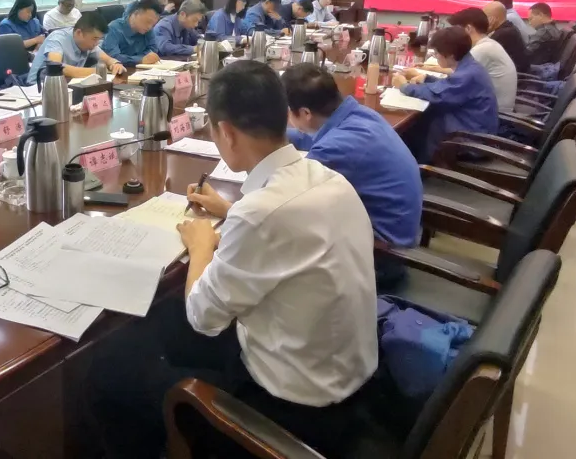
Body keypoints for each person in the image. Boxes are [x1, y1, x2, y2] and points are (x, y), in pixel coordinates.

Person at [90, 60, 377, 458]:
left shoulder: (260, 214)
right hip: (345, 377)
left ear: (225, 131)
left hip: (291, 408)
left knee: (107, 367)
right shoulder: (327, 179)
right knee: (158, 320)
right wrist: (230, 211)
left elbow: (203, 318)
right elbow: (284, 229)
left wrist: (201, 245)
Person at [283, 63, 422, 253]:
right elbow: (316, 137)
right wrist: (269, 135)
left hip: (383, 250)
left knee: (285, 232)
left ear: (305, 113)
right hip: (399, 227)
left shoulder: (333, 149)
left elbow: (288, 199)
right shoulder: (360, 114)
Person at [392, 25, 498, 163]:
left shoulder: (467, 75)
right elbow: (450, 87)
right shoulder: (470, 66)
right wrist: (426, 79)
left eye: (436, 53)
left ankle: (421, 166)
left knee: (418, 123)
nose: (435, 57)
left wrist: (404, 86)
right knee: (422, 120)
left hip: (471, 142)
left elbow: (438, 96)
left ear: (450, 55)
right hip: (474, 128)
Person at [440, 7, 517, 112]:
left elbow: (456, 76)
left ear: (468, 28)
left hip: (493, 113)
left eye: (456, 31)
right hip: (491, 106)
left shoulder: (482, 49)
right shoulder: (488, 43)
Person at [26, 12, 126, 84]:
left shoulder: (88, 44)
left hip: (66, 86)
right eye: (95, 39)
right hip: (37, 88)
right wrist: (99, 72)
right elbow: (57, 68)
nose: (96, 43)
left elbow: (108, 59)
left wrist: (115, 64)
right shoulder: (57, 39)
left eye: (99, 39)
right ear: (79, 33)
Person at [101, 0, 164, 66]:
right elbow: (113, 57)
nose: (150, 27)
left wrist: (146, 58)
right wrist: (140, 59)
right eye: (148, 22)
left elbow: (153, 50)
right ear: (136, 13)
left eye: (153, 24)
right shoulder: (114, 29)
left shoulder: (148, 30)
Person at [485, 0, 530, 75]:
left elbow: (482, 51)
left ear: (493, 18)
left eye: (485, 17)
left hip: (517, 75)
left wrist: (485, 32)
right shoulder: (510, 27)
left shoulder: (502, 34)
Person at [526, 2, 568, 72]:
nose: (530, 23)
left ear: (540, 15)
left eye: (531, 19)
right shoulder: (552, 29)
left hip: (535, 69)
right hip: (544, 66)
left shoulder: (544, 32)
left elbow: (526, 53)